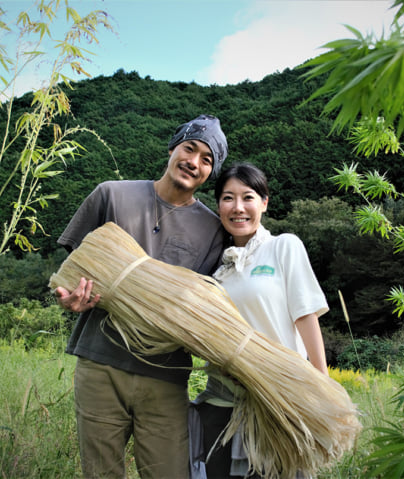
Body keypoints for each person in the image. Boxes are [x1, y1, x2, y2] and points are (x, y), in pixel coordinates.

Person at [54, 114, 228, 478]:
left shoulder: (213, 229)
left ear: (210, 173)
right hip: (101, 365)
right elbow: (69, 272)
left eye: (206, 159)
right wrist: (68, 298)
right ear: (172, 148)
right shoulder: (112, 195)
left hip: (165, 377)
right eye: (189, 148)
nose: (194, 162)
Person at [190, 162, 329, 478]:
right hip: (222, 402)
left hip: (278, 401)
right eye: (228, 198)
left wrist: (322, 384)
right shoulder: (215, 270)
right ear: (218, 206)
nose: (238, 208)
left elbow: (305, 314)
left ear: (264, 202)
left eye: (248, 197)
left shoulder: (283, 247)